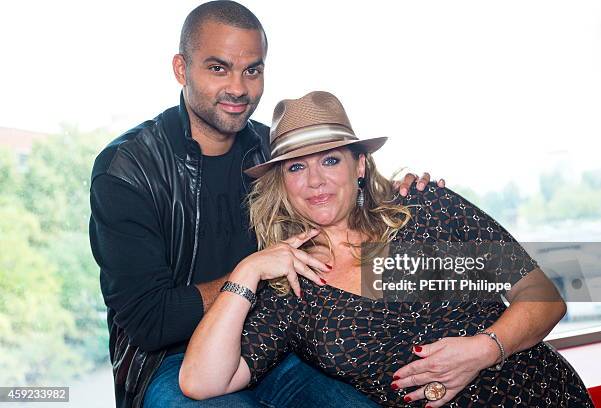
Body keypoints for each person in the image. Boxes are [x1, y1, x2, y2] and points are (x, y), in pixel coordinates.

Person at [89, 2, 443, 408]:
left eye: (252, 70)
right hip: (172, 361)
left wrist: (396, 196)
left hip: (280, 342)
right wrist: (250, 275)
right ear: (182, 69)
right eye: (218, 68)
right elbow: (151, 322)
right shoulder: (127, 169)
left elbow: (338, 201)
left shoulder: (276, 153)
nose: (238, 88)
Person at [179, 91, 594, 407]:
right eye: (296, 167)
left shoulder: (427, 208)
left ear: (359, 166)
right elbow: (200, 381)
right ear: (281, 183)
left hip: (539, 393)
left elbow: (545, 298)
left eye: (330, 160)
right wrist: (246, 272)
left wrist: (482, 350)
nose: (315, 181)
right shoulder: (292, 289)